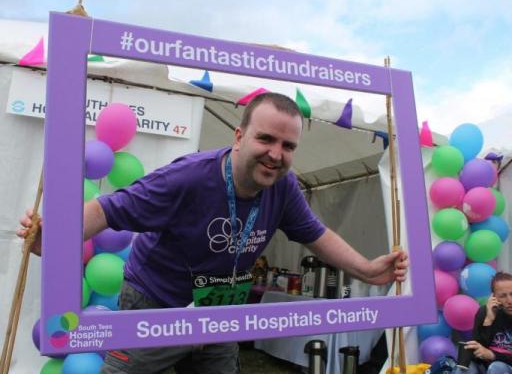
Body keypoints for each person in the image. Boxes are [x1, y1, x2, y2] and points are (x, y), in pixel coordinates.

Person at [18, 92, 408, 374]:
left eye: (288, 145)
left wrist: (368, 270)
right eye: (266, 138)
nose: (276, 153)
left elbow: (316, 234)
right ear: (239, 137)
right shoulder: (186, 178)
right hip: (157, 300)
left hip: (219, 309)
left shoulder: (283, 187)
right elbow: (106, 209)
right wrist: (51, 241)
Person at [457, 272, 512, 374]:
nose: (510, 301)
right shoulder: (484, 312)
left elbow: (488, 354)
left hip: (505, 366)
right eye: (503, 296)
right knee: (463, 369)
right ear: (494, 297)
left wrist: (492, 355)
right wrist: (488, 320)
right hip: (485, 366)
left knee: (497, 367)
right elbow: (478, 351)